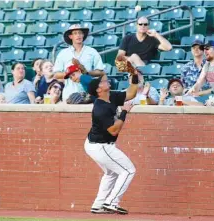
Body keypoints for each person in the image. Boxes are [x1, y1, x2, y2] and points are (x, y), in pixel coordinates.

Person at [85, 73, 139, 215]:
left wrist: (134, 76)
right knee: (128, 170)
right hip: (100, 145)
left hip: (97, 144)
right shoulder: (100, 108)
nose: (106, 80)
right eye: (102, 81)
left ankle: (98, 205)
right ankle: (112, 202)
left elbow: (131, 93)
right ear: (98, 89)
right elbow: (114, 131)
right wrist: (124, 112)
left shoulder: (111, 96)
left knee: (111, 173)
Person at [53, 24, 105, 100]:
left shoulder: (92, 51)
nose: (78, 35)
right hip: (69, 93)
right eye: (75, 33)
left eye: (80, 33)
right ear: (70, 36)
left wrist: (85, 73)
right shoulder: (63, 53)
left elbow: (101, 72)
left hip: (88, 94)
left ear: (83, 35)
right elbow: (56, 74)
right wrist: (70, 74)